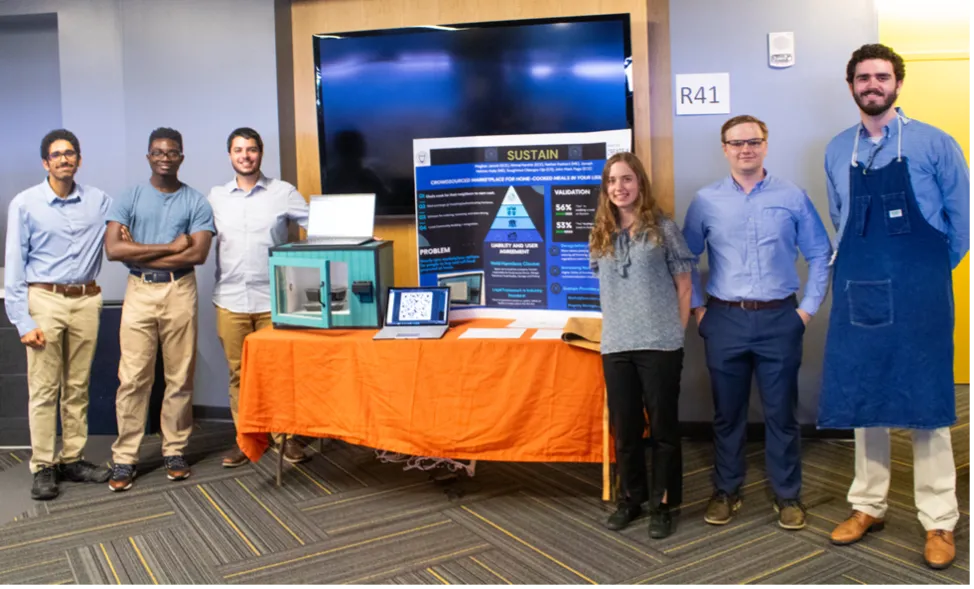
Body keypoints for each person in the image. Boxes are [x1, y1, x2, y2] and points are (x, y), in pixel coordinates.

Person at [819, 44, 970, 570]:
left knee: (928, 403)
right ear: (852, 85)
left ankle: (939, 519)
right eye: (863, 77)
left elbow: (962, 223)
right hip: (861, 287)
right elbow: (840, 218)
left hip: (921, 291)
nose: (873, 85)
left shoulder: (934, 143)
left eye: (882, 76)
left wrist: (925, 272)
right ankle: (868, 506)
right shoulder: (838, 150)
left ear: (898, 84)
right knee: (866, 397)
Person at [683, 115, 832, 530]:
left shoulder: (792, 196)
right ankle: (725, 490)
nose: (745, 149)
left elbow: (821, 253)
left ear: (766, 144)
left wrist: (807, 310)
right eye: (736, 143)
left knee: (781, 413)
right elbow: (685, 258)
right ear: (724, 148)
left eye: (753, 141)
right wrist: (698, 309)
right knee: (727, 414)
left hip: (780, 319)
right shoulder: (706, 200)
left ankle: (788, 495)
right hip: (724, 319)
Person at [103, 127, 215, 491]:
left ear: (182, 156)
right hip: (138, 289)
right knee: (133, 377)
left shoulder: (196, 201)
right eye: (158, 152)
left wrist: (143, 248)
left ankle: (175, 450)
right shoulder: (129, 197)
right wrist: (170, 246)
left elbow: (197, 254)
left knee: (180, 376)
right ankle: (125, 458)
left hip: (179, 289)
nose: (164, 157)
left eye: (172, 152)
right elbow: (114, 250)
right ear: (148, 156)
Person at [589, 152, 695, 539]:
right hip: (616, 345)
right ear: (606, 188)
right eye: (613, 181)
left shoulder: (663, 228)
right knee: (626, 430)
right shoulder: (600, 231)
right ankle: (630, 500)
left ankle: (663, 504)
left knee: (664, 430)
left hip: (660, 345)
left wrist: (675, 335)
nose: (620, 187)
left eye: (627, 179)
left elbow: (685, 286)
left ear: (640, 183)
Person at [3, 130, 113, 499]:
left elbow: (126, 229)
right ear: (45, 163)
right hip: (44, 300)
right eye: (56, 154)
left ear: (79, 159)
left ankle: (72, 458)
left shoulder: (99, 201)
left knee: (78, 386)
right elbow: (15, 266)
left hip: (85, 299)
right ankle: (44, 465)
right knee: (44, 388)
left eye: (70, 153)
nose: (64, 159)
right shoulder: (25, 203)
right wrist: (23, 320)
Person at [208, 127, 310, 467]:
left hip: (275, 300)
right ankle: (246, 439)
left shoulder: (283, 192)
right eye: (238, 150)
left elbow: (320, 224)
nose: (245, 156)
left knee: (280, 373)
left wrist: (362, 236)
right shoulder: (216, 197)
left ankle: (286, 439)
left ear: (260, 153)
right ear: (229, 155)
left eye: (251, 149)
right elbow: (191, 233)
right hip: (230, 299)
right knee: (239, 374)